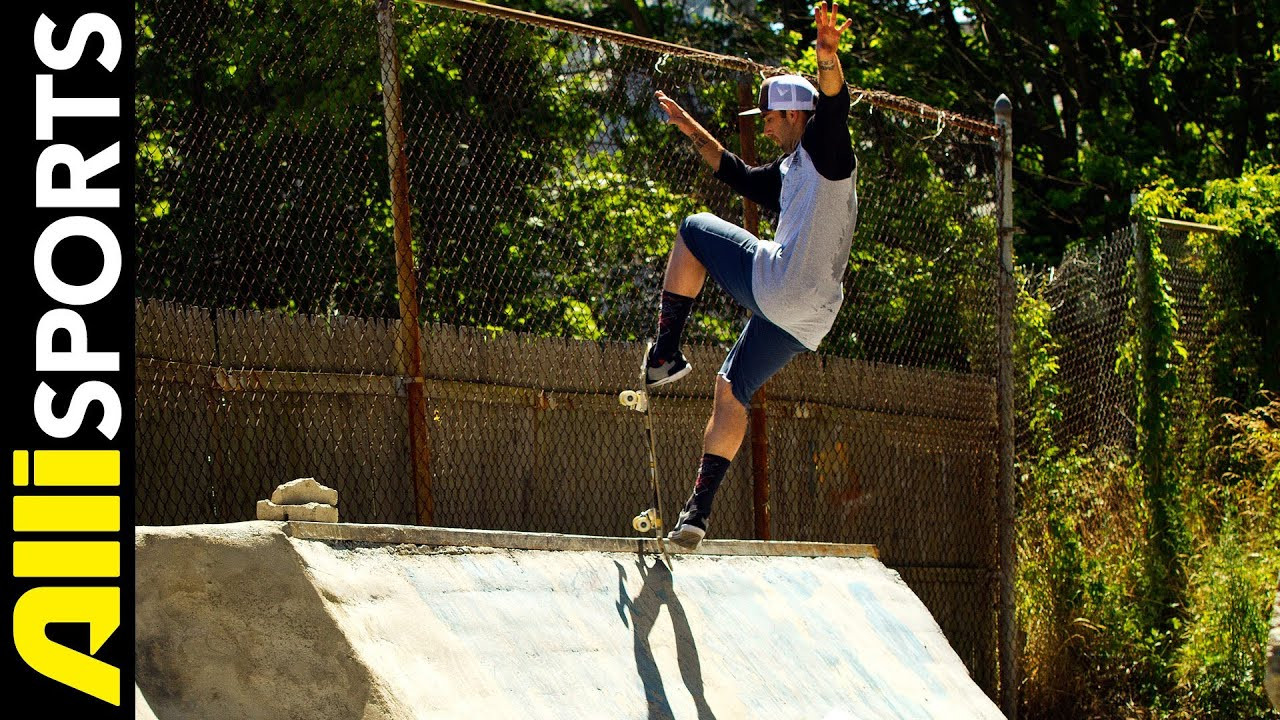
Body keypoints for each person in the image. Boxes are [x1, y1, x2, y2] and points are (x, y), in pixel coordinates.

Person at [648, 0, 857, 550]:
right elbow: (735, 173)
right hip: (813, 318)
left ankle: (666, 350)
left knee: (693, 228)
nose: (764, 128)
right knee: (731, 386)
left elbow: (833, 102)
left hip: (782, 285)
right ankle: (698, 510)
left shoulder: (826, 148)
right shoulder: (790, 172)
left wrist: (827, 57)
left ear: (793, 114)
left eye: (768, 117)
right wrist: (689, 127)